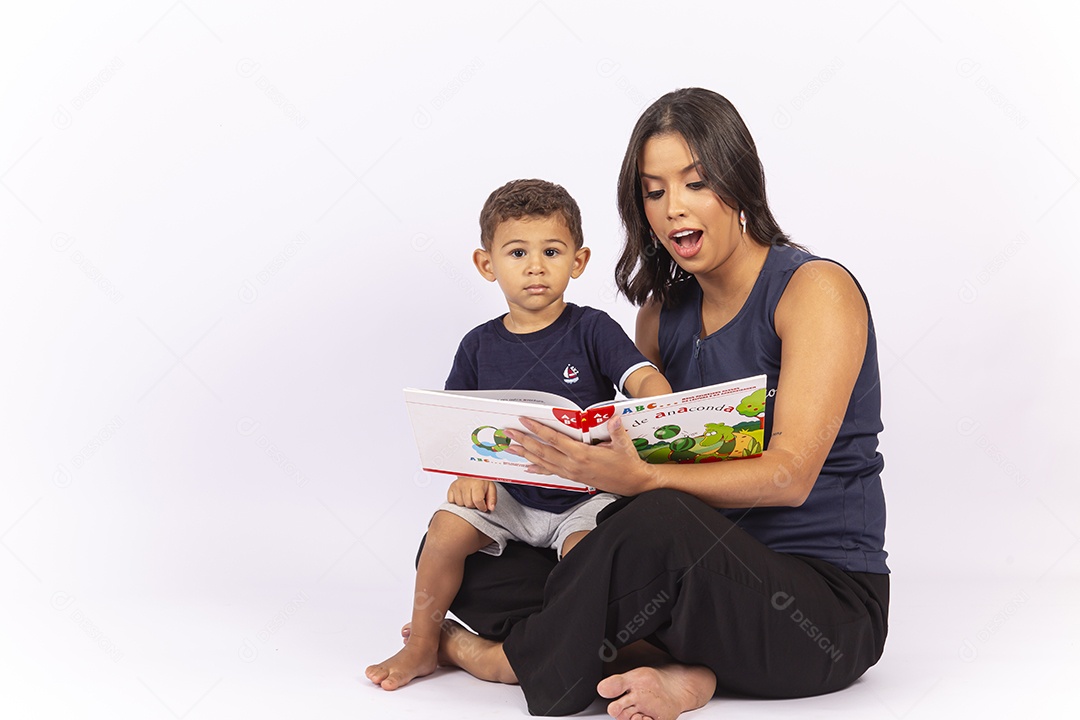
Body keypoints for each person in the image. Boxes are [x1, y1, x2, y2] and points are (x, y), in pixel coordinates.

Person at [432, 88, 890, 720]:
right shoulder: (659, 317)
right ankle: (687, 669)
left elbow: (789, 477)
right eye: (653, 192)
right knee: (479, 549)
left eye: (696, 182)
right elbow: (641, 453)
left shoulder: (815, 290)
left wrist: (641, 477)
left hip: (820, 609)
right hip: (691, 584)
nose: (674, 208)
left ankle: (506, 660)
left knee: (657, 519)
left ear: (739, 184)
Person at [365, 178, 671, 692]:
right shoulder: (479, 345)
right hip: (506, 495)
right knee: (443, 531)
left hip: (583, 497)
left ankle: (563, 651)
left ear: (578, 260)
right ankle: (422, 644)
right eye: (517, 252)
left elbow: (637, 375)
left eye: (552, 251)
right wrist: (464, 472)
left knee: (588, 560)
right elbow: (451, 422)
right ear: (487, 264)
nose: (535, 266)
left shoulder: (592, 328)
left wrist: (657, 397)